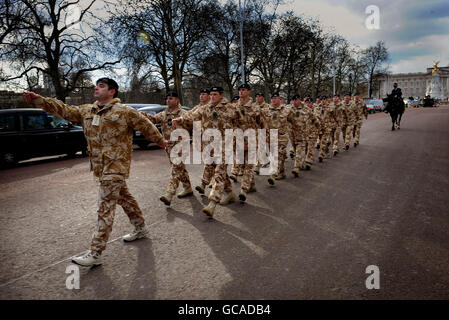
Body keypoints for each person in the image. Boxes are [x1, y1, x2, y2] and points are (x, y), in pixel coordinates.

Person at [24, 78, 167, 267]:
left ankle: (96, 252)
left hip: (116, 167)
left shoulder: (124, 112)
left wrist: (162, 142)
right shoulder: (86, 111)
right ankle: (140, 228)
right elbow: (63, 110)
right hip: (100, 167)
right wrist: (38, 100)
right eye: (96, 85)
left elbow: (146, 126)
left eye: (101, 86)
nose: (96, 88)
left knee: (105, 206)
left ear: (112, 92)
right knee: (124, 198)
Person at [173, 86, 240, 218]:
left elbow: (241, 123)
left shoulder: (231, 108)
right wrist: (179, 119)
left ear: (221, 95)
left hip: (225, 145)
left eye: (215, 94)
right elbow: (192, 115)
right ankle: (230, 193)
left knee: (219, 172)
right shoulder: (206, 108)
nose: (212, 97)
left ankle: (212, 204)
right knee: (218, 170)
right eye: (211, 94)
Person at [142, 91, 193, 206]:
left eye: (171, 98)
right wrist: (145, 115)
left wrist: (180, 120)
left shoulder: (184, 113)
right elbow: (154, 119)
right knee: (179, 168)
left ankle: (169, 193)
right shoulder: (164, 113)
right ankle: (188, 187)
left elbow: (189, 120)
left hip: (180, 145)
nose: (168, 101)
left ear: (177, 100)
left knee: (175, 168)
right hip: (169, 146)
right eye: (167, 99)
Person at [232, 83, 262, 202]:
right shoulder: (234, 107)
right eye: (240, 90)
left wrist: (266, 137)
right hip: (239, 141)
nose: (241, 92)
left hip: (252, 140)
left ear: (249, 92)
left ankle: (243, 190)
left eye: (244, 90)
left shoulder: (255, 108)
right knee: (244, 165)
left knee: (249, 165)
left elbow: (263, 123)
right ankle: (252, 185)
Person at [260, 92, 290, 184]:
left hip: (282, 135)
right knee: (274, 155)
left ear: (280, 99)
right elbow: (262, 122)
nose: (274, 100)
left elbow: (294, 121)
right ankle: (281, 172)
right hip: (271, 136)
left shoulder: (287, 110)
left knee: (279, 153)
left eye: (276, 98)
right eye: (272, 98)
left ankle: (273, 174)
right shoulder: (266, 110)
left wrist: (296, 131)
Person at [191, 89, 215, 195]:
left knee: (211, 162)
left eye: (204, 94)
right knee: (210, 162)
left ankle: (204, 184)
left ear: (209, 96)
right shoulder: (197, 108)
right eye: (200, 94)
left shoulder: (213, 107)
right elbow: (189, 116)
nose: (201, 96)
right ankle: (216, 182)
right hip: (202, 138)